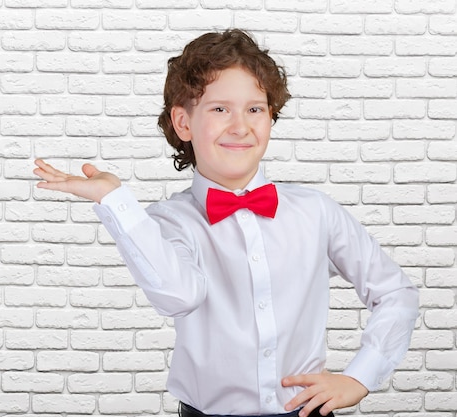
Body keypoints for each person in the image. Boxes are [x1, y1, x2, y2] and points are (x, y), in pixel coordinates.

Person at [33, 29, 419, 417]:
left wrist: (361, 376)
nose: (240, 126)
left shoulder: (315, 211)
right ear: (183, 123)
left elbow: (394, 291)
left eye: (255, 109)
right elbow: (178, 295)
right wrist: (115, 201)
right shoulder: (167, 223)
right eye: (220, 109)